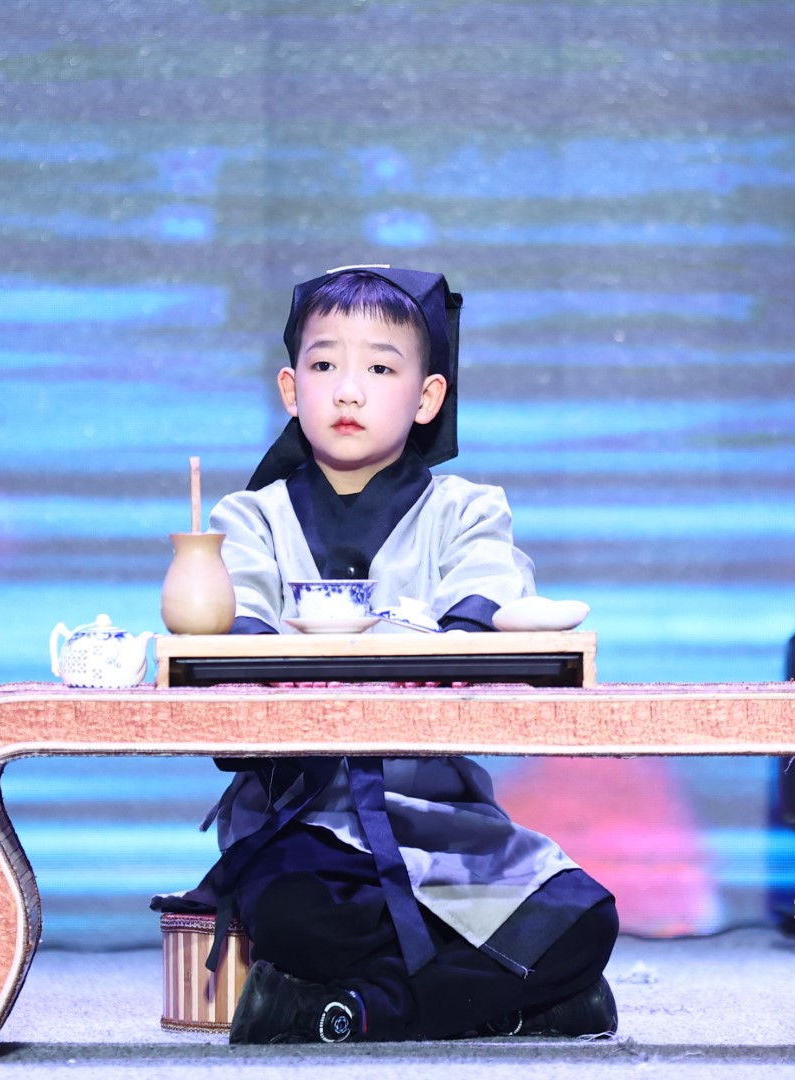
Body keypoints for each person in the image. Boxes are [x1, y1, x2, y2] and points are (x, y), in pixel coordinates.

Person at [152, 265, 620, 1044]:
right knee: (298, 913)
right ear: (290, 388)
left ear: (427, 396)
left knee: (581, 921)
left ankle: (350, 1010)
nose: (348, 391)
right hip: (304, 826)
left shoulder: (468, 511)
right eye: (324, 364)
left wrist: (445, 642)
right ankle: (528, 1004)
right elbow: (231, 656)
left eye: (378, 368)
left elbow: (483, 610)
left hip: (442, 822)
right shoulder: (249, 518)